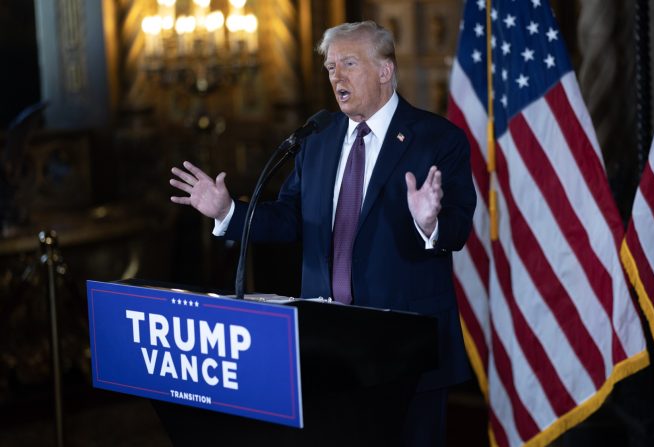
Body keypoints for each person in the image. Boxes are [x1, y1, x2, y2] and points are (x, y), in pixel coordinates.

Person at [169, 20, 475, 445]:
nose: (337, 77)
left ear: (385, 70)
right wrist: (229, 213)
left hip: (406, 351)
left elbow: (458, 228)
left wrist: (430, 224)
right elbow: (290, 218)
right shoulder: (317, 137)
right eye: (331, 67)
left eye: (349, 63)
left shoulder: (437, 138)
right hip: (328, 348)